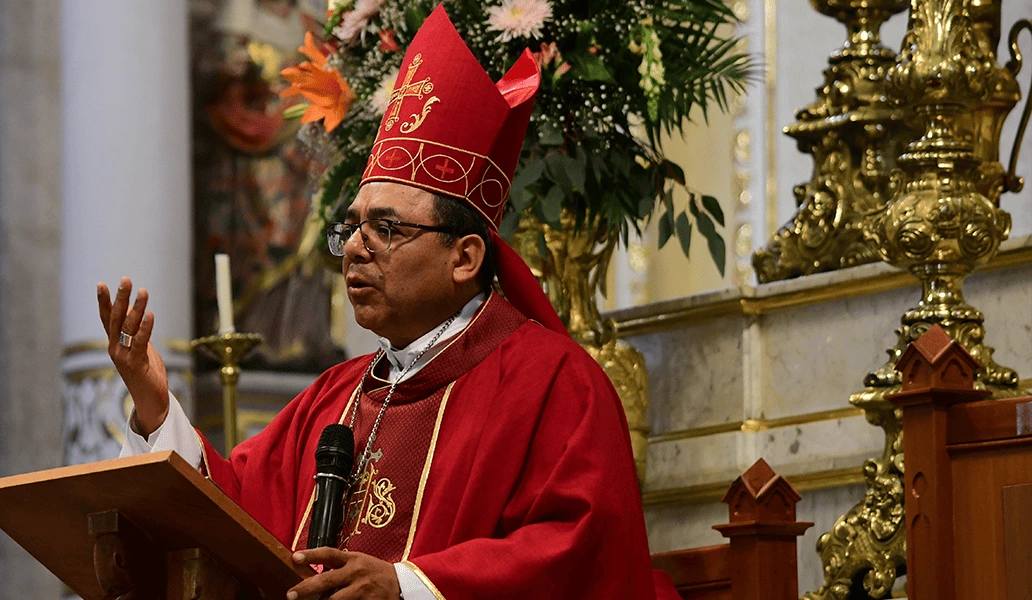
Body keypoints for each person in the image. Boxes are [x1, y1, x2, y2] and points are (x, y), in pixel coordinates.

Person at [98, 6, 666, 599]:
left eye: (387, 229)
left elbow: (579, 553)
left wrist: (407, 586)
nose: (355, 251)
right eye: (351, 229)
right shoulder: (332, 399)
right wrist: (156, 407)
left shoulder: (554, 383)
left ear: (465, 258)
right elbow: (235, 514)